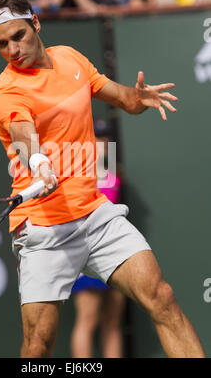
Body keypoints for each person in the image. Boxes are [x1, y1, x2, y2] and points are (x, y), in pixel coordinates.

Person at [0, 0, 205, 357]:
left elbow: (122, 99)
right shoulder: (6, 92)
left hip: (95, 215)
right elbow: (24, 136)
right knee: (38, 346)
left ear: (35, 23)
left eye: (18, 35)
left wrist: (139, 97)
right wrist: (39, 164)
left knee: (161, 297)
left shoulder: (69, 58)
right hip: (43, 226)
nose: (13, 50)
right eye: (1, 44)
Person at [71, 119, 125, 358]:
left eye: (104, 138)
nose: (101, 143)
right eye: (96, 137)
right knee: (88, 319)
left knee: (112, 323)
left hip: (115, 253)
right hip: (87, 255)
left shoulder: (113, 175)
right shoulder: (76, 175)